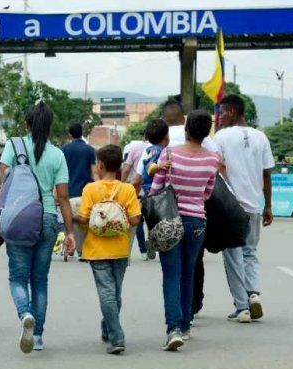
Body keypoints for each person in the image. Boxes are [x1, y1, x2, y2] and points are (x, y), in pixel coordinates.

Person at [0, 101, 75, 353]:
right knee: (40, 280)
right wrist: (71, 233)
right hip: (48, 218)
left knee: (17, 277)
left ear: (26, 124)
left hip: (19, 217)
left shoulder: (13, 146)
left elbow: (2, 186)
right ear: (49, 126)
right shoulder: (57, 155)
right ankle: (38, 335)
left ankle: (25, 314)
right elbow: (63, 196)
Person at [149, 109, 219, 351]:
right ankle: (186, 324)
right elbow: (208, 193)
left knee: (171, 275)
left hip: (170, 219)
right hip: (197, 221)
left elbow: (156, 188)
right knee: (188, 273)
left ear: (186, 130)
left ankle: (173, 329)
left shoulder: (170, 154)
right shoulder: (212, 160)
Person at [214, 94, 275, 323]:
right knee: (250, 252)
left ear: (231, 112)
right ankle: (254, 294)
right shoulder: (261, 137)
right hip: (253, 207)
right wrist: (268, 205)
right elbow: (267, 174)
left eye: (221, 112)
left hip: (231, 207)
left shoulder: (221, 137)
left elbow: (217, 166)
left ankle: (242, 307)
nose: (219, 117)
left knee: (232, 256)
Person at [77, 145, 141, 355]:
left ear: (101, 164)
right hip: (120, 248)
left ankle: (117, 336)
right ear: (120, 166)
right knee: (116, 292)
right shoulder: (128, 189)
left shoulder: (90, 189)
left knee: (106, 291)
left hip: (97, 249)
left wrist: (74, 217)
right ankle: (108, 326)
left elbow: (85, 219)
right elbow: (134, 220)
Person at [132, 120, 170, 261]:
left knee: (149, 220)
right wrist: (160, 166)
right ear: (166, 136)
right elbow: (150, 168)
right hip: (153, 191)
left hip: (147, 191)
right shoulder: (157, 151)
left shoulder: (150, 149)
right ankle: (153, 243)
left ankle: (150, 242)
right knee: (159, 220)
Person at [60, 122, 97, 259]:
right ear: (82, 133)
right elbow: (94, 173)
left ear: (70, 134)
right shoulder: (89, 150)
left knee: (69, 221)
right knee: (85, 221)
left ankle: (69, 247)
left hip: (68, 193)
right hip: (85, 194)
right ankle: (83, 250)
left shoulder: (64, 149)